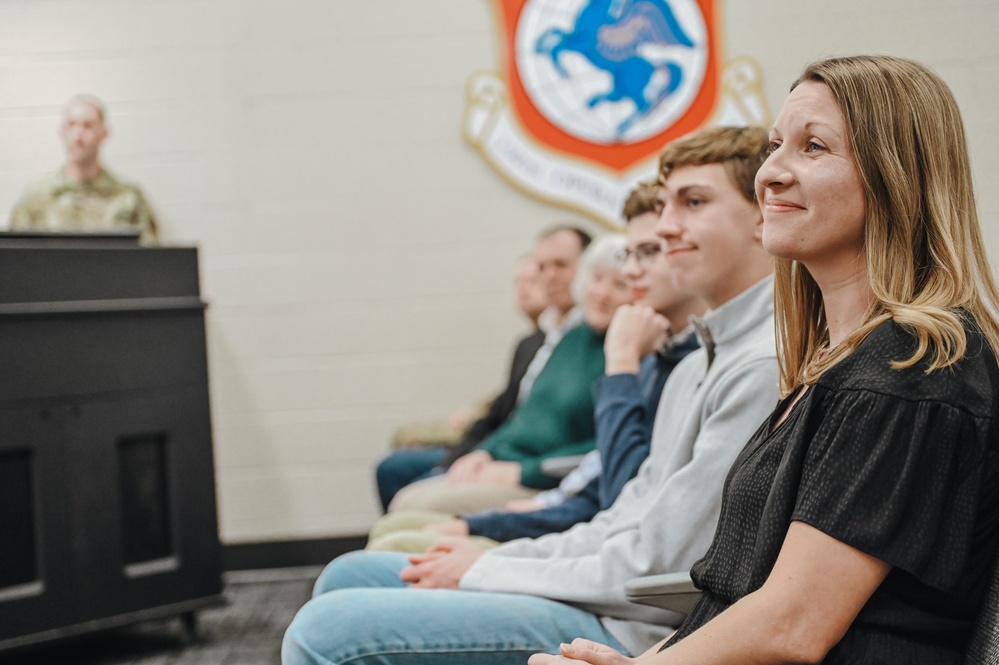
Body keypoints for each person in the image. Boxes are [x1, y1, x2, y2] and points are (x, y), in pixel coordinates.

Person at [529, 55, 999, 665]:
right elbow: (736, 598)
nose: (771, 173)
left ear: (894, 174)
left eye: (813, 148)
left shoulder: (908, 367)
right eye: (777, 145)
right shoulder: (830, 364)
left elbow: (793, 625)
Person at [281, 124, 779, 665]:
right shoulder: (695, 364)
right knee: (348, 575)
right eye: (663, 207)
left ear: (762, 217)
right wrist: (500, 554)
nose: (667, 228)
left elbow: (655, 562)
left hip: (638, 629)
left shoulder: (756, 365)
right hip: (608, 587)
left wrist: (487, 566)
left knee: (322, 632)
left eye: (693, 202)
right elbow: (621, 515)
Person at [365, 181, 707, 552]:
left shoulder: (651, 353)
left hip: (589, 535)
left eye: (650, 253)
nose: (610, 289)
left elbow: (621, 498)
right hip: (571, 513)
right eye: (631, 256)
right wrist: (489, 463)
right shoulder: (579, 339)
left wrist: (530, 499)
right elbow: (529, 425)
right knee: (399, 520)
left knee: (399, 530)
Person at [385, 234, 632, 516]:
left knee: (414, 505)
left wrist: (521, 472)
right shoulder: (572, 337)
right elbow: (523, 416)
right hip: (507, 462)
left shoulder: (627, 354)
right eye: (597, 279)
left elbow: (606, 448)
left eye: (619, 285)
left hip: (545, 482)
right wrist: (485, 452)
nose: (602, 293)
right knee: (406, 496)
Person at [8, 94, 159, 244]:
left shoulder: (128, 198)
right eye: (71, 125)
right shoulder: (35, 198)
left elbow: (150, 259)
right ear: (62, 131)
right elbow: (15, 259)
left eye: (87, 125)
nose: (77, 136)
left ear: (104, 133)